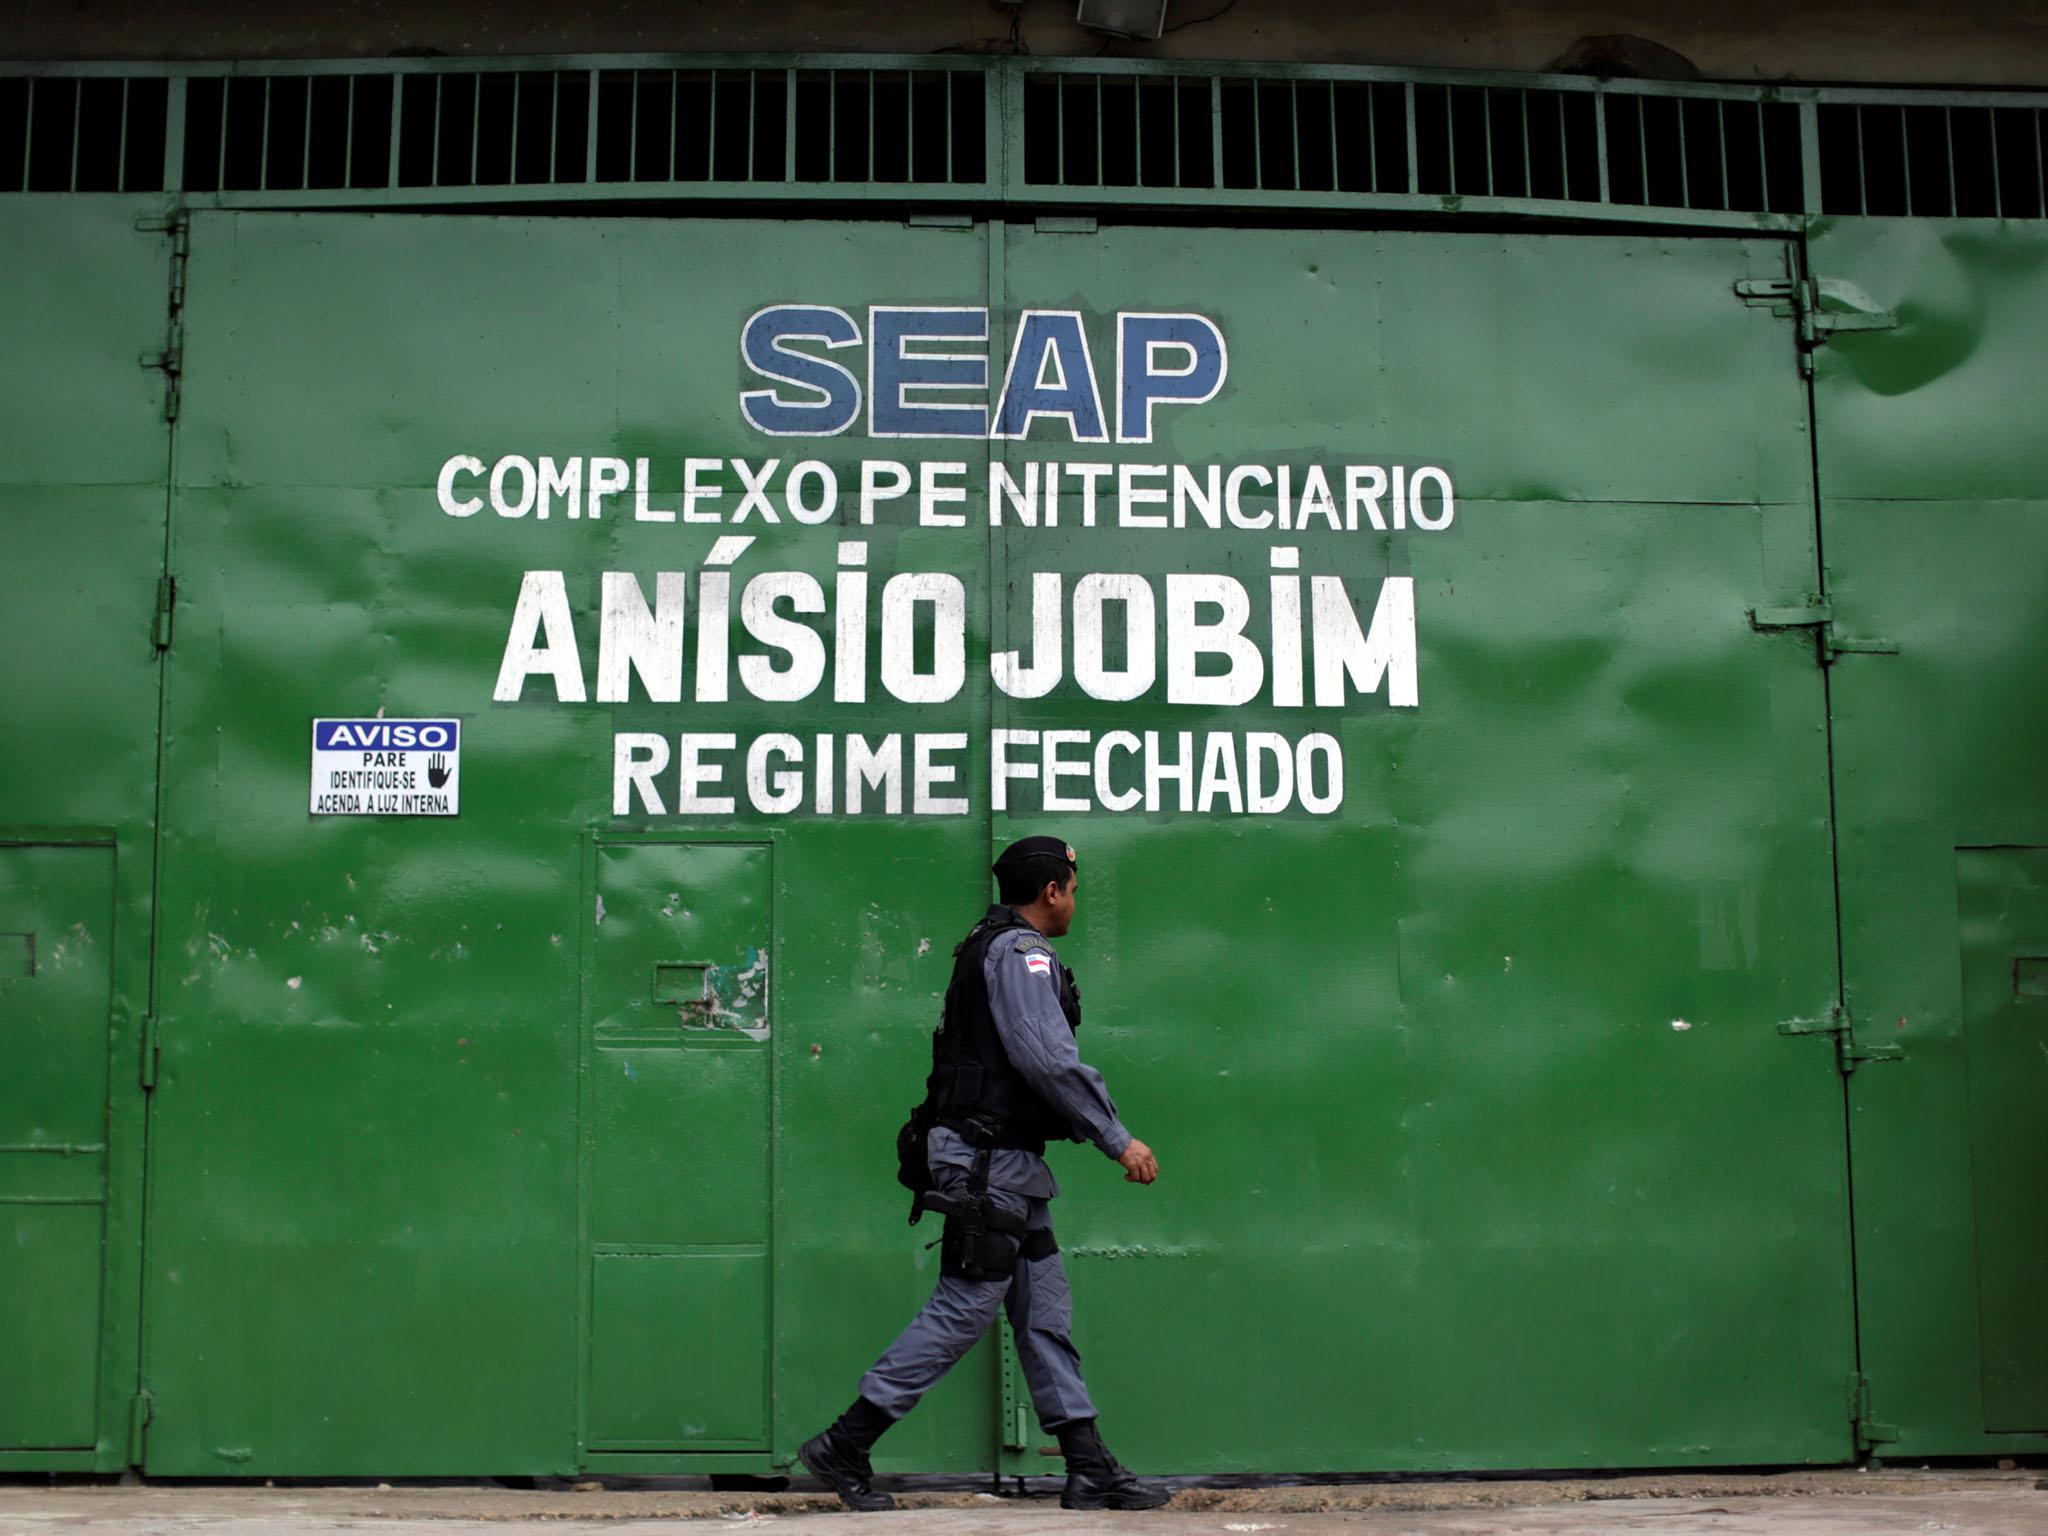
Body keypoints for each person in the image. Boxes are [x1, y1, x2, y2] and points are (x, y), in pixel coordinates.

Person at [799, 835, 1168, 1513]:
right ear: (1052, 891)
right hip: (987, 1163)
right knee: (966, 1306)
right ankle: (845, 1442)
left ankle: (1089, 1467)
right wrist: (1116, 1139)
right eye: (1074, 889)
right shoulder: (1020, 953)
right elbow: (1046, 1059)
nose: (1075, 902)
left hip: (1011, 1166)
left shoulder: (990, 944)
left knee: (1043, 1310)